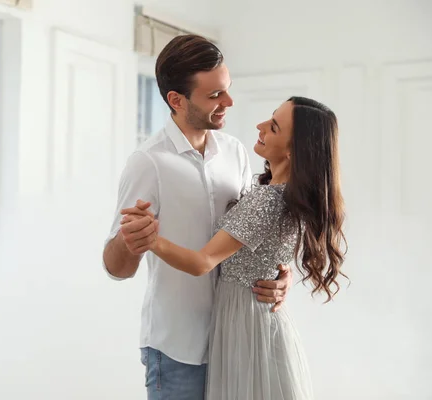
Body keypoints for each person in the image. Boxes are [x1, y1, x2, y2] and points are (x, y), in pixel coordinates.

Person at [102, 35, 293, 399]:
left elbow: (252, 234)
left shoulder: (235, 152)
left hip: (235, 340)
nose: (229, 103)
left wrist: (284, 277)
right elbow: (117, 268)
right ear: (176, 99)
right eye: (215, 96)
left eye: (227, 90)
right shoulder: (148, 163)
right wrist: (133, 241)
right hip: (177, 351)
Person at [121, 96, 348, 399]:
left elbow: (203, 262)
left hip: (245, 324)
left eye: (274, 127)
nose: (260, 126)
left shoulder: (266, 200)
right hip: (249, 321)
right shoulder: (281, 196)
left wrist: (151, 240)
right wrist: (283, 276)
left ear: (294, 150)